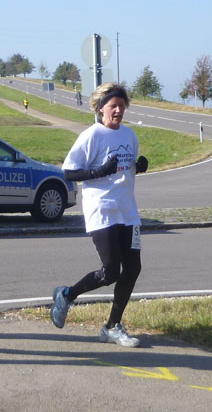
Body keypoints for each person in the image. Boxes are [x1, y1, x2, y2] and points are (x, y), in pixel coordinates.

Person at [49, 82, 149, 347]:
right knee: (110, 271)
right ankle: (67, 295)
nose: (118, 111)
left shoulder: (130, 136)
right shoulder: (91, 135)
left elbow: (125, 169)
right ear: (101, 108)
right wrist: (99, 171)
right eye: (113, 106)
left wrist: (139, 167)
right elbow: (69, 172)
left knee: (133, 268)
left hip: (127, 210)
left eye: (121, 106)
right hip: (101, 209)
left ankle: (112, 327)